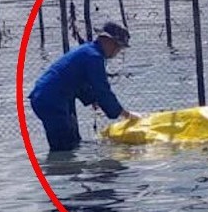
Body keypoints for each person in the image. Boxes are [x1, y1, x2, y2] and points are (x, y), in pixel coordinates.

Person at [28, 22, 142, 152]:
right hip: (51, 101)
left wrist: (92, 100)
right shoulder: (94, 57)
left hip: (52, 98)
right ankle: (59, 170)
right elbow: (102, 90)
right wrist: (124, 113)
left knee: (74, 141)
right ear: (109, 41)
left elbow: (78, 81)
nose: (118, 52)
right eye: (118, 47)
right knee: (63, 148)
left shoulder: (87, 51)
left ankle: (71, 170)